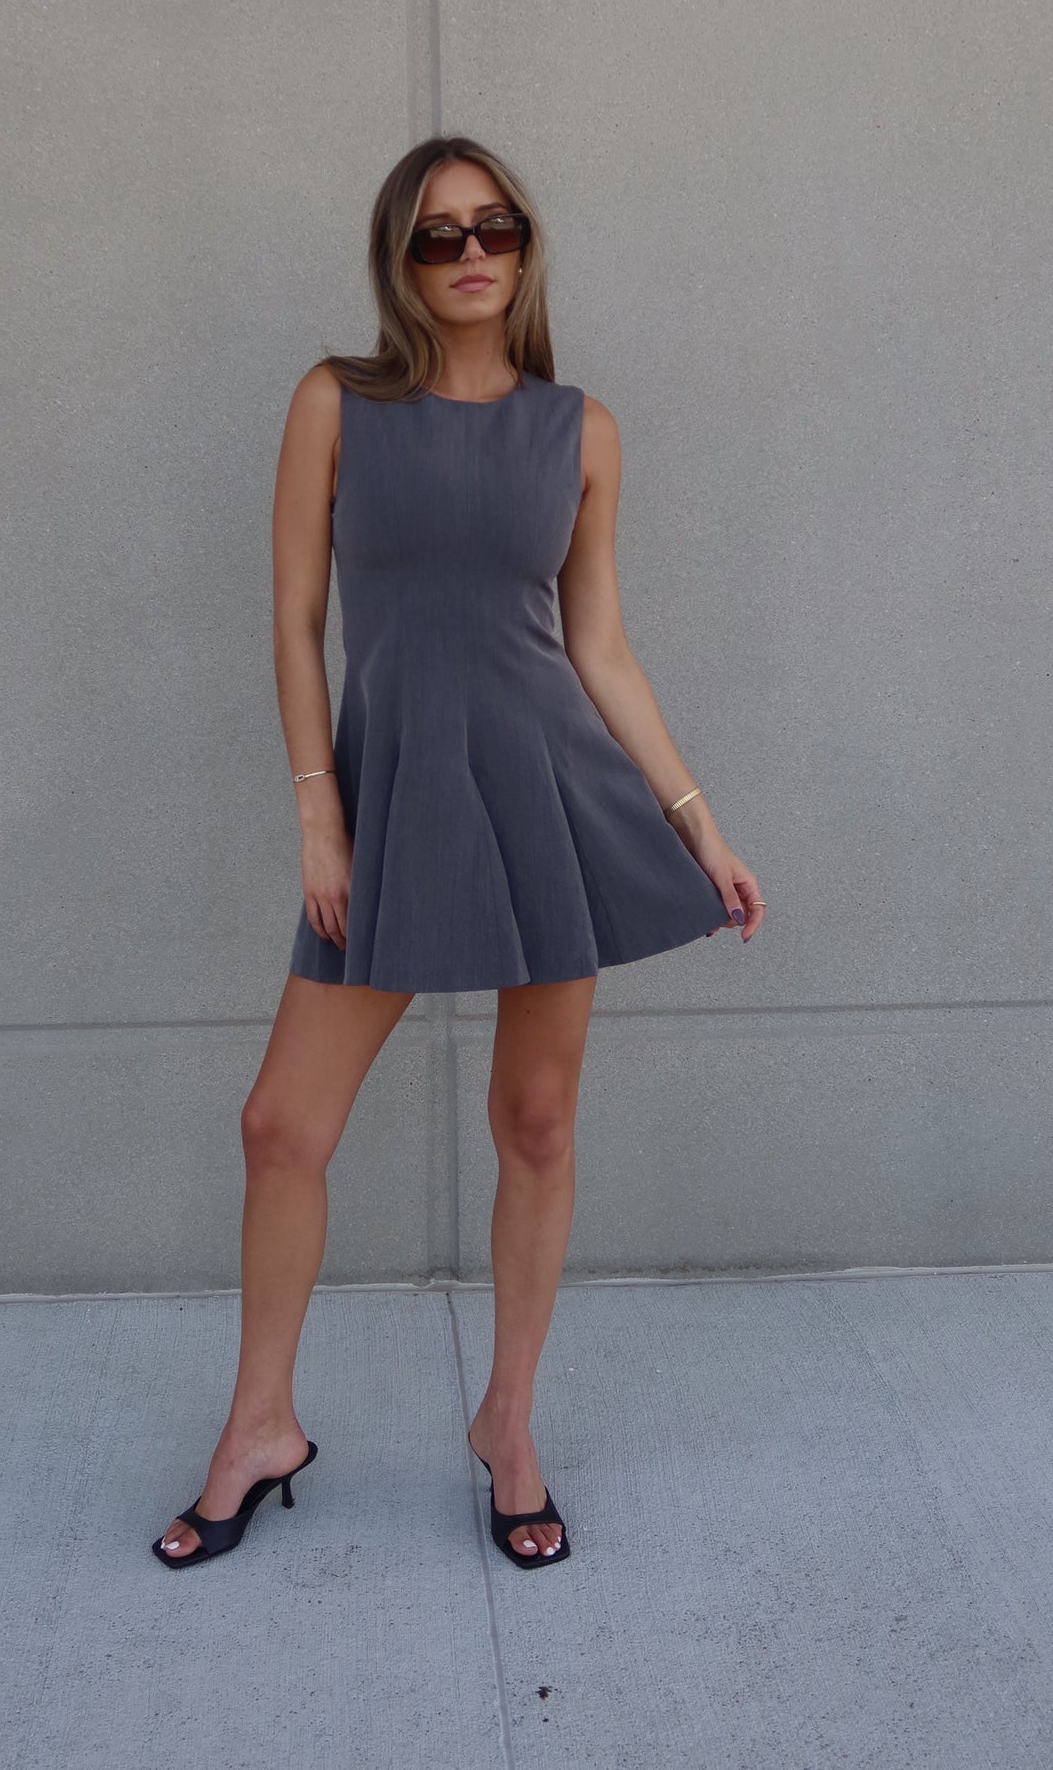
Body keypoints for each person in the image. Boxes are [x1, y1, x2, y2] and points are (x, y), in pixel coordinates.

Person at [152, 134, 765, 1572]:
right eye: (439, 234)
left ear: (526, 246)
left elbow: (598, 647)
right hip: (388, 796)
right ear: (400, 260)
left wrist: (698, 821)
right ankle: (258, 1427)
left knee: (535, 1124)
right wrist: (320, 815)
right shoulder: (336, 403)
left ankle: (509, 1422)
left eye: (496, 226)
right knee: (280, 1127)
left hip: (550, 796)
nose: (473, 251)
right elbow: (296, 620)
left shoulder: (580, 430)